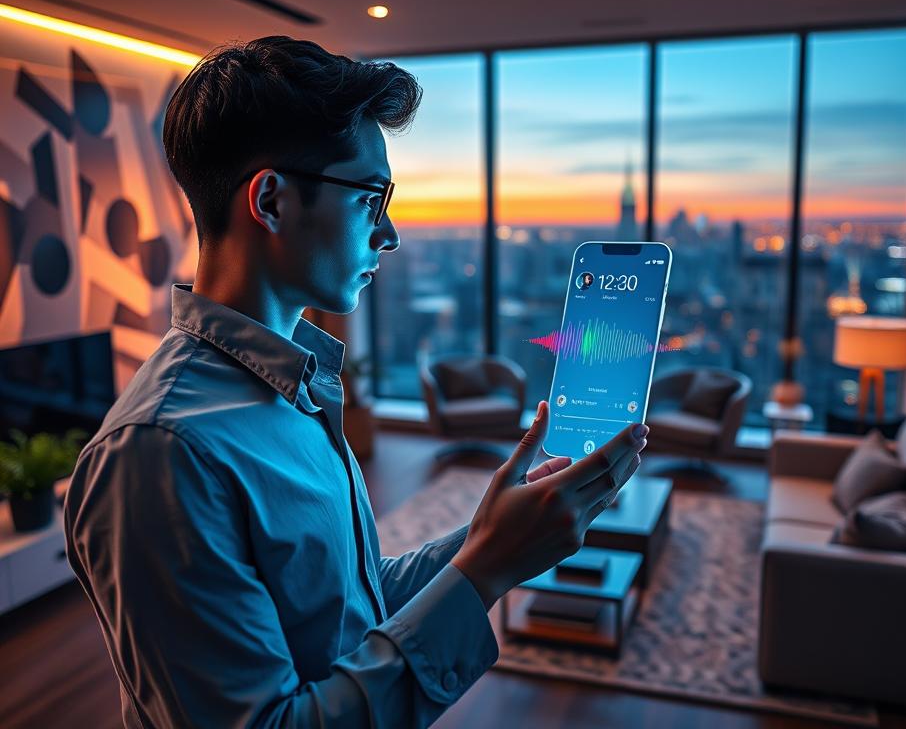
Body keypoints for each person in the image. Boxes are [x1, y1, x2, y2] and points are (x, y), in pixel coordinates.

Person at [64, 36, 649, 729]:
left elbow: (351, 612)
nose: (391, 233)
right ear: (272, 201)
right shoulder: (161, 454)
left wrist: (493, 535)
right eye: (373, 198)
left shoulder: (296, 391)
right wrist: (485, 568)